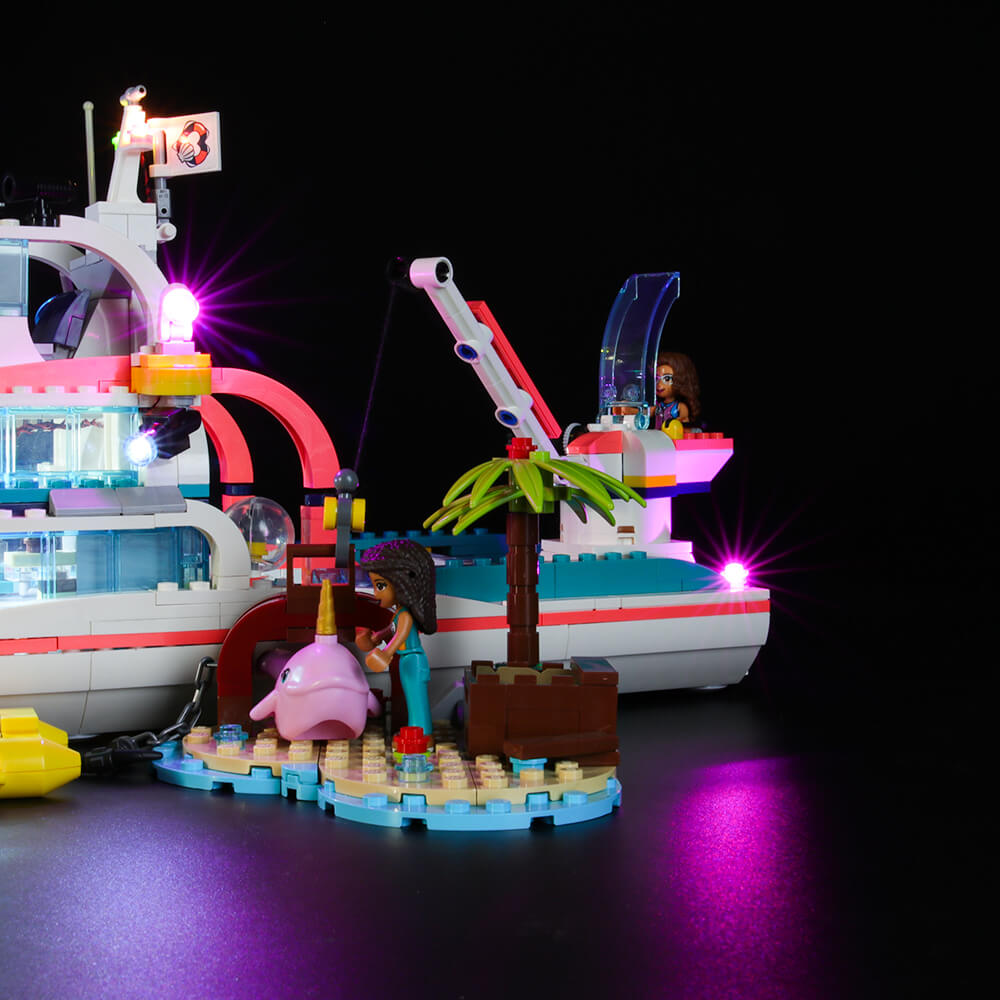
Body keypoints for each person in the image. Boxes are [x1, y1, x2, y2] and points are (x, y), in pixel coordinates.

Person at [356, 539, 437, 735]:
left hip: (413, 660)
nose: (376, 594)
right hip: (407, 662)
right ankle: (417, 732)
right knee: (411, 699)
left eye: (380, 586)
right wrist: (373, 639)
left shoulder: (405, 616)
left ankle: (422, 735)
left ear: (401, 582)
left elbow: (400, 636)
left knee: (416, 701)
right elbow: (389, 632)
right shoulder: (398, 614)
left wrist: (386, 652)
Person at [652, 352, 701, 435]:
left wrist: (674, 422)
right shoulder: (658, 406)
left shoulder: (679, 406)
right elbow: (644, 412)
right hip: (659, 438)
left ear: (679, 380)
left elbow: (684, 419)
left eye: (667, 379)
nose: (659, 384)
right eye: (657, 378)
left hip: (674, 437)